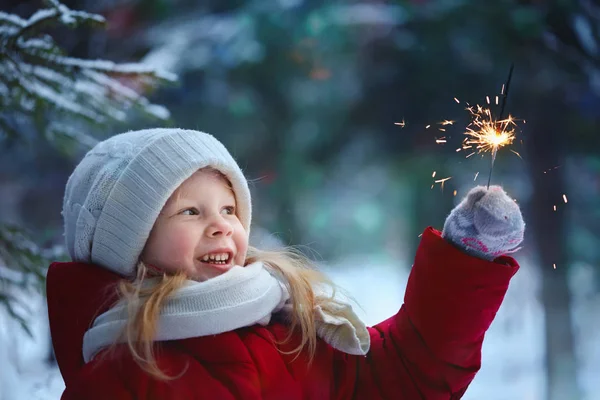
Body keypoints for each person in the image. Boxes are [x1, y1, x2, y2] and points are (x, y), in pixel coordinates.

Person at [47, 128, 524, 400]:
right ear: (129, 245)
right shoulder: (119, 377)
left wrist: (465, 258)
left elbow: (401, 375)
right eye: (191, 212)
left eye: (229, 209)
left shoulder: (289, 336)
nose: (221, 226)